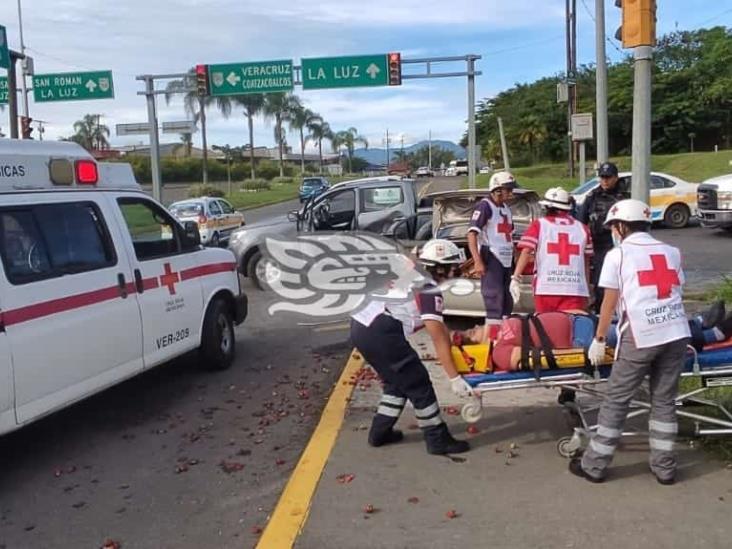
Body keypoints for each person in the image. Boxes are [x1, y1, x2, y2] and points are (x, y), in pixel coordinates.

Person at [570, 199, 691, 485]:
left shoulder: (618, 255)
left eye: (614, 226)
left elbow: (609, 301)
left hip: (642, 334)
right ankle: (664, 468)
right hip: (676, 332)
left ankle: (595, 465)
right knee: (663, 401)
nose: (614, 231)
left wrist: (599, 338)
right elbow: (676, 289)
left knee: (616, 400)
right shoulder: (672, 251)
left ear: (622, 226)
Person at [350, 239, 473, 455]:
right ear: (441, 268)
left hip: (362, 326)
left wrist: (455, 337)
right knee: (418, 383)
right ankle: (437, 438)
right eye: (455, 268)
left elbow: (440, 328)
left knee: (398, 382)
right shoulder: (428, 289)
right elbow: (436, 336)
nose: (458, 273)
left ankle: (380, 432)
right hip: (381, 330)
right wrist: (454, 378)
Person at [512, 187, 593, 314]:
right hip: (575, 289)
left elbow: (526, 252)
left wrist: (516, 278)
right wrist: (587, 289)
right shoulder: (583, 229)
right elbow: (586, 262)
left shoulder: (539, 225)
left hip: (546, 288)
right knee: (570, 329)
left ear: (547, 208)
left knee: (545, 329)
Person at [467, 171, 516, 340]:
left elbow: (509, 235)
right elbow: (472, 234)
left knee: (506, 300)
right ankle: (493, 340)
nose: (510, 193)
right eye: (507, 189)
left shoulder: (506, 209)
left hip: (506, 259)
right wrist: (477, 261)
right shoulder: (485, 206)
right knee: (493, 298)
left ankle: (505, 336)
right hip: (492, 256)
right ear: (496, 189)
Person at [576, 162, 626, 310]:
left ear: (616, 178)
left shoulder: (624, 196)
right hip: (599, 245)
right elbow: (581, 221)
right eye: (602, 177)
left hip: (619, 245)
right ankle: (600, 309)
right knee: (600, 280)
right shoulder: (592, 196)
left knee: (621, 279)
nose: (605, 181)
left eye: (608, 177)